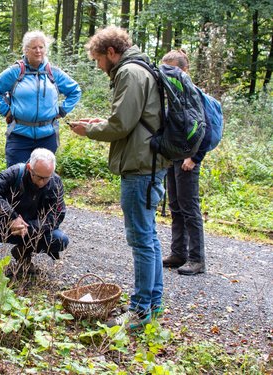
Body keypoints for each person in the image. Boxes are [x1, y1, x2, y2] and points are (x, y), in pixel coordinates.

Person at [69, 27, 169, 329]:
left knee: (140, 239)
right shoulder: (142, 68)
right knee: (148, 236)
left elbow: (123, 124)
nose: (99, 67)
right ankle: (153, 304)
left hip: (140, 165)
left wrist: (91, 130)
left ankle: (139, 311)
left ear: (111, 52)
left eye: (99, 60)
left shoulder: (129, 72)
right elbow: (134, 118)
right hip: (149, 161)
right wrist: (102, 122)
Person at [0, 148, 69, 276]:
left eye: (46, 178)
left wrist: (27, 228)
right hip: (5, 227)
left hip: (30, 230)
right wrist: (11, 217)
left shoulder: (55, 183)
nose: (42, 182)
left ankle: (22, 253)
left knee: (60, 240)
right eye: (39, 177)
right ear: (29, 168)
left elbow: (56, 216)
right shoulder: (15, 172)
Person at [0, 30, 81, 167]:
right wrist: (6, 110)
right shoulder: (15, 72)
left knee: (43, 180)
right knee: (17, 178)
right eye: (34, 47)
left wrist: (62, 110)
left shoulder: (54, 73)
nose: (38, 51)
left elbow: (75, 91)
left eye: (41, 47)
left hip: (47, 136)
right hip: (19, 135)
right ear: (25, 50)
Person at [160, 50, 209, 276]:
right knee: (175, 207)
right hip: (174, 158)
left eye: (173, 69)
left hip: (188, 159)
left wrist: (194, 158)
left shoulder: (194, 94)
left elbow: (205, 130)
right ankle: (178, 253)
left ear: (184, 70)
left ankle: (197, 259)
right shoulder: (175, 94)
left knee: (190, 209)